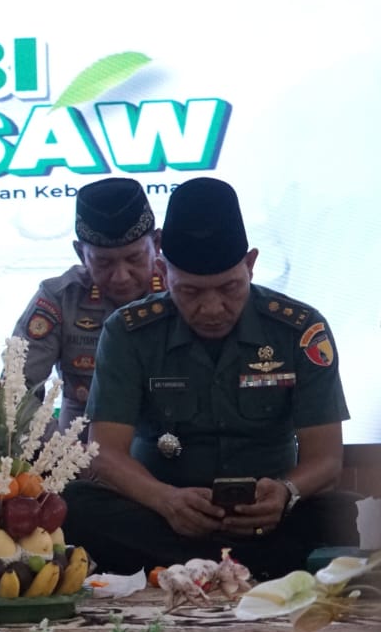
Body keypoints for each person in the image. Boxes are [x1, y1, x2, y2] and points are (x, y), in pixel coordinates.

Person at [63, 177, 359, 577]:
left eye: (229, 287)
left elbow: (326, 459)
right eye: (190, 292)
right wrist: (166, 500)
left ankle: (197, 568)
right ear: (164, 270)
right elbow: (105, 453)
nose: (213, 307)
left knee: (346, 513)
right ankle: (246, 569)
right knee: (75, 504)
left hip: (270, 521)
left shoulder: (299, 329)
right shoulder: (128, 332)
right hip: (163, 520)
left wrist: (286, 492)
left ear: (250, 265)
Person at [11, 177, 163, 429]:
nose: (121, 276)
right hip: (82, 444)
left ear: (157, 244)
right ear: (81, 254)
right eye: (104, 263)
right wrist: (56, 445)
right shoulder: (59, 298)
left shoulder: (183, 290)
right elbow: (15, 391)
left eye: (134, 258)